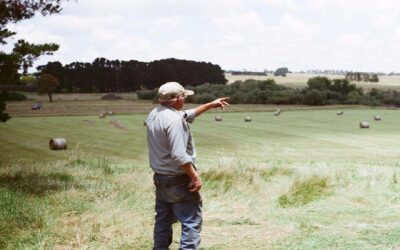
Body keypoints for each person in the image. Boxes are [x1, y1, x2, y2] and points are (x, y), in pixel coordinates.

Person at [146, 82, 229, 250]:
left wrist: (211, 104)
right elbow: (179, 155)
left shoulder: (155, 114)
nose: (185, 99)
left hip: (160, 178)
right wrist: (195, 177)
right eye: (184, 96)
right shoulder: (175, 121)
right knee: (191, 221)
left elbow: (187, 114)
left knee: (162, 220)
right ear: (178, 99)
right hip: (178, 179)